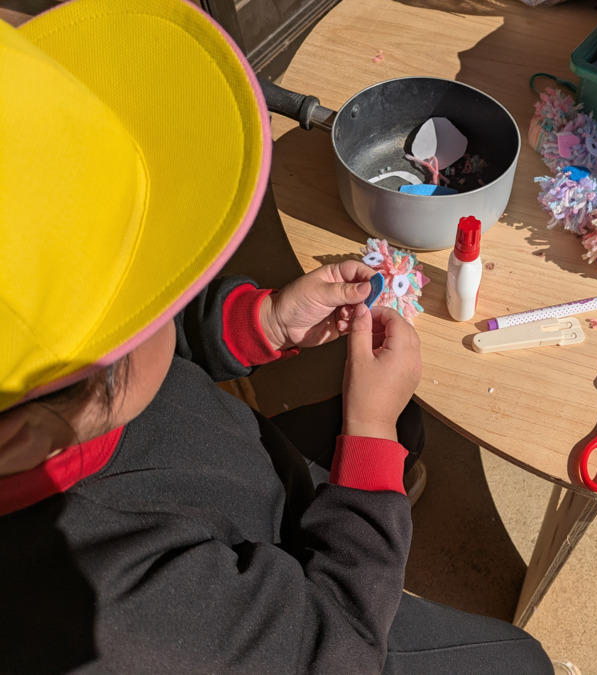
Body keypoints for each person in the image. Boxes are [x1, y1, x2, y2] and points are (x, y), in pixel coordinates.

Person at [0, 0, 558, 672]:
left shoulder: (47, 385)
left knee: (395, 440)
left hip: (248, 487)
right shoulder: (113, 610)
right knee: (518, 658)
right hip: (309, 614)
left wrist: (260, 322)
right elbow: (335, 646)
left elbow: (155, 348)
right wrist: (369, 431)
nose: (177, 287)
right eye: (151, 294)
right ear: (23, 436)